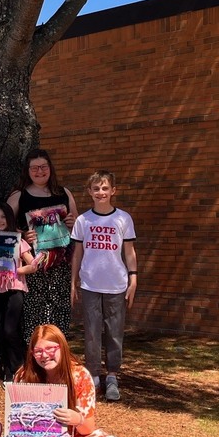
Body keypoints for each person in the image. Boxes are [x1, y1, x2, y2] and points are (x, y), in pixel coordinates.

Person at [15, 324, 128, 437]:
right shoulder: (23, 375)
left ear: (62, 347)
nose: (45, 355)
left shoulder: (80, 376)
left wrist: (77, 419)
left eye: (51, 348)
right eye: (38, 351)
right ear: (32, 353)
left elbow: (88, 429)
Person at [70, 171, 138, 402]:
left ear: (113, 191)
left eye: (105, 188)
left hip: (116, 285)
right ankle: (94, 377)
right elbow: (77, 254)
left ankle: (112, 375)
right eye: (96, 189)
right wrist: (73, 282)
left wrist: (133, 278)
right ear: (89, 192)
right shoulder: (83, 221)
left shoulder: (123, 219)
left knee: (114, 332)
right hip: (89, 284)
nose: (101, 193)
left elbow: (129, 251)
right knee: (91, 332)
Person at [7, 149, 78, 342]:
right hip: (33, 265)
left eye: (43, 166)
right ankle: (35, 353)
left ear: (50, 168)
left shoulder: (64, 193)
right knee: (34, 310)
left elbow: (78, 227)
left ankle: (58, 352)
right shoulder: (19, 196)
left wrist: (73, 224)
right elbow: (3, 225)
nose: (40, 171)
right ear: (27, 171)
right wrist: (22, 234)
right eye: (34, 168)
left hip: (60, 264)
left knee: (59, 308)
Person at [0, 204, 38, 381]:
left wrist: (15, 271)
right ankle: (7, 369)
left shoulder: (18, 240)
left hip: (14, 290)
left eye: (3, 217)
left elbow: (32, 265)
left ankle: (19, 367)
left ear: (9, 218)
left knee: (10, 330)